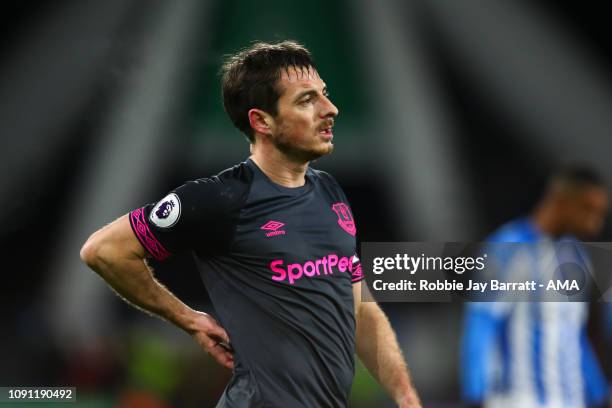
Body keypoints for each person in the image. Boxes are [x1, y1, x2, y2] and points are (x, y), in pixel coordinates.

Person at [80, 40, 421, 408]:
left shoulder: (329, 192)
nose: (331, 109)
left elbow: (360, 309)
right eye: (307, 101)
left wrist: (405, 396)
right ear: (262, 121)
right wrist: (188, 319)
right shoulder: (220, 199)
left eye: (324, 94)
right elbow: (104, 250)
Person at [461, 166, 609, 408]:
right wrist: (475, 395)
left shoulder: (576, 256)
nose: (595, 224)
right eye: (588, 210)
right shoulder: (510, 247)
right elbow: (481, 322)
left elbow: (573, 336)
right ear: (561, 201)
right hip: (521, 400)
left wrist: (598, 394)